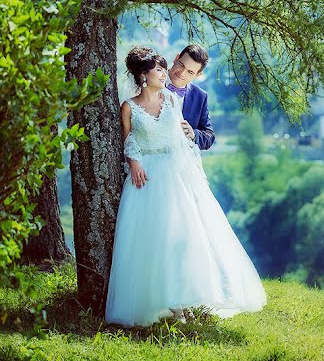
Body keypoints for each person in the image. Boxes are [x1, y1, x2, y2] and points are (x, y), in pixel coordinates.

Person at [105, 46, 266, 327]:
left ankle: (186, 299)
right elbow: (129, 138)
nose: (176, 72)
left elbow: (200, 135)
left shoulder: (180, 98)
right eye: (176, 66)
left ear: (198, 75)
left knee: (185, 236)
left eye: (189, 71)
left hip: (177, 173)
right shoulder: (132, 104)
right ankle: (161, 300)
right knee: (153, 240)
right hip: (148, 175)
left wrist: (192, 141)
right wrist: (134, 161)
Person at [166, 44, 215, 151]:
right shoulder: (151, 79)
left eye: (190, 72)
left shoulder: (200, 96)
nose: (182, 73)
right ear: (176, 58)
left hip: (183, 162)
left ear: (198, 75)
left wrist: (194, 134)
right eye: (181, 65)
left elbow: (210, 136)